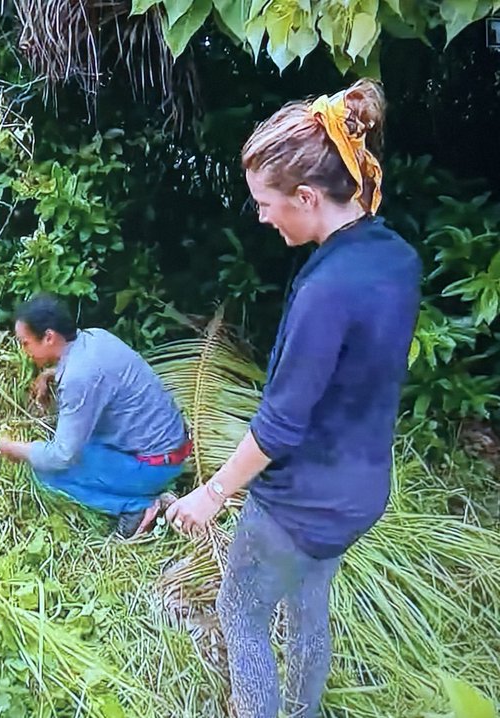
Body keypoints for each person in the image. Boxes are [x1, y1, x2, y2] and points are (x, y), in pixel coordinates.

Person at [165, 80, 421, 717]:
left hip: (302, 501)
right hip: (361, 490)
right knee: (309, 601)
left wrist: (211, 494)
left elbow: (279, 425)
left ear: (307, 197)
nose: (261, 216)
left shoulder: (325, 291)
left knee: (240, 611)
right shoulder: (396, 258)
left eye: (265, 202)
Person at [0, 294, 192, 537]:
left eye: (25, 343)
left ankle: (138, 506)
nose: (24, 351)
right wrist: (51, 374)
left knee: (46, 473)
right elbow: (99, 375)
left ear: (48, 337)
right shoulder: (95, 338)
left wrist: (14, 448)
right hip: (171, 446)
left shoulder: (78, 377)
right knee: (72, 444)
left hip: (153, 465)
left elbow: (61, 456)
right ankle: (137, 490)